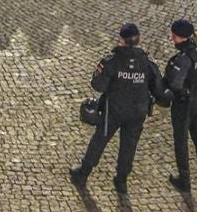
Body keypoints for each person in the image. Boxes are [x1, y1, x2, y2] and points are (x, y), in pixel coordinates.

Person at [70, 22, 164, 193]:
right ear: (138, 39)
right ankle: (121, 180)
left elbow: (98, 85)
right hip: (137, 111)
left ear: (121, 40)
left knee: (99, 140)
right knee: (129, 145)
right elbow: (158, 87)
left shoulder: (112, 61)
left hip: (114, 110)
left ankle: (83, 173)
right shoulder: (147, 61)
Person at [162, 19, 197, 191]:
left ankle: (184, 180)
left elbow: (175, 84)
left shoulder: (183, 59)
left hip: (185, 105)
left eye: (174, 36)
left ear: (181, 38)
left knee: (181, 140)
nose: (172, 38)